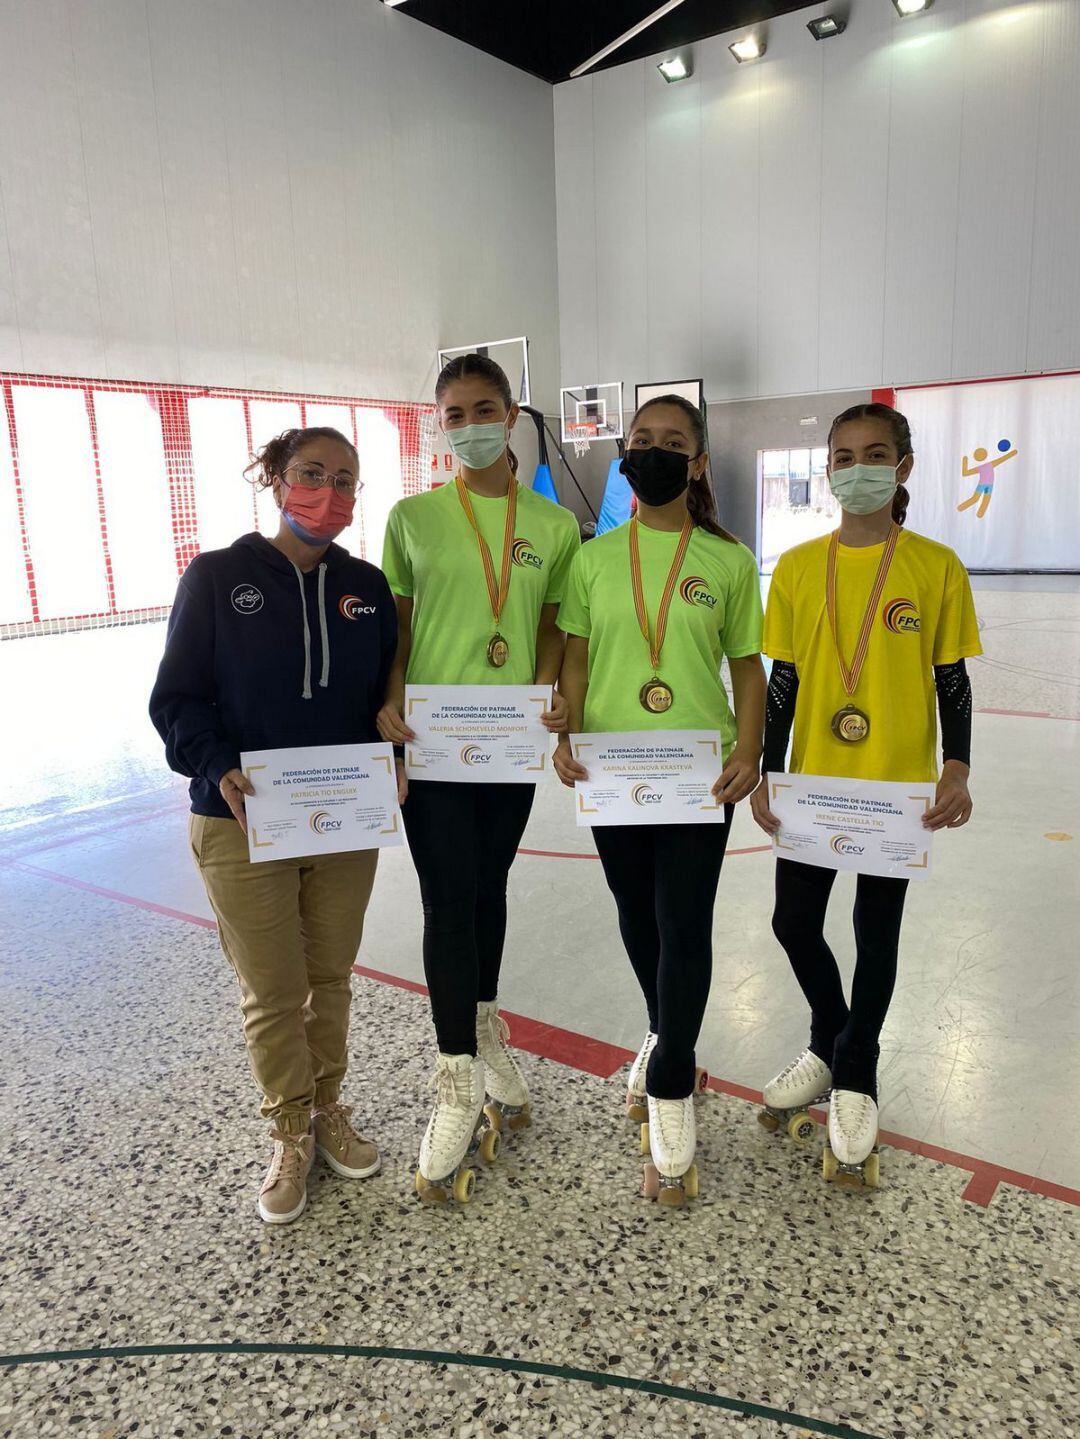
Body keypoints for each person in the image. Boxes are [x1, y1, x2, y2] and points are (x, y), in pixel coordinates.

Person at [150, 427, 399, 1224]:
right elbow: (176, 699)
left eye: (345, 480)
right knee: (274, 988)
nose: (328, 492)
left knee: (329, 976)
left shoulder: (365, 586)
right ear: (275, 478)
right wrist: (216, 764)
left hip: (341, 818)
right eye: (311, 474)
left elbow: (380, 701)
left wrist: (392, 745)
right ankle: (289, 1128)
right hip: (241, 819)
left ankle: (329, 1109)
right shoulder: (218, 578)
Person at [751, 402, 982, 1185]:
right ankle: (833, 1035)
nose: (858, 470)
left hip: (893, 795)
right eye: (843, 457)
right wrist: (766, 767)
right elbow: (782, 679)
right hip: (813, 787)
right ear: (829, 471)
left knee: (874, 934)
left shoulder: (935, 566)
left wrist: (958, 765)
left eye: (874, 455)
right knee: (792, 920)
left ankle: (857, 1072)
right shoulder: (796, 566)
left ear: (903, 467)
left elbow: (951, 677)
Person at [554, 394, 766, 1206]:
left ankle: (672, 1083)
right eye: (641, 440)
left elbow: (748, 667)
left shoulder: (727, 560)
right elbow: (575, 656)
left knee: (684, 921)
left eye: (672, 442)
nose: (654, 451)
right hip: (611, 768)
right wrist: (564, 731)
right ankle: (665, 1031)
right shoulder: (593, 559)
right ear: (623, 454)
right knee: (636, 916)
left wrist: (748, 747)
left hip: (696, 773)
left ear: (698, 460)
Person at [378, 353, 580, 1204]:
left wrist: (549, 692)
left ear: (512, 413)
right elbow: (397, 622)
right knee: (444, 898)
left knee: (489, 886)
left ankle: (485, 1023)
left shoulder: (554, 524)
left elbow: (550, 624)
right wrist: (387, 707)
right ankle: (455, 1075)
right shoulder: (413, 517)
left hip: (504, 746)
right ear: (439, 423)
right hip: (432, 742)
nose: (469, 424)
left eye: (484, 408)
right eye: (454, 412)